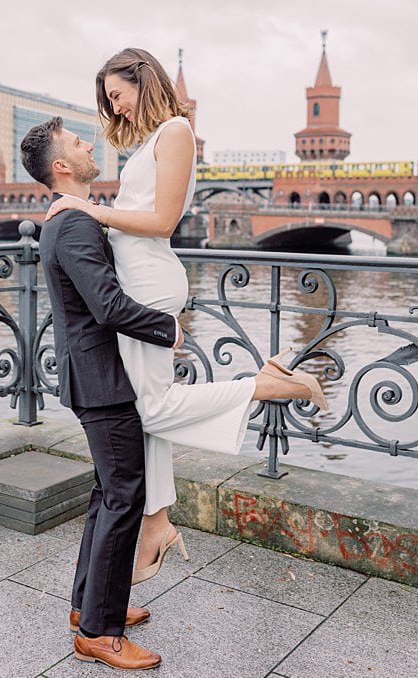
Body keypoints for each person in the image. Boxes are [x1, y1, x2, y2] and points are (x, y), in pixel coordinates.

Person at [43, 48, 326, 584]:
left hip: (149, 280)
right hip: (137, 278)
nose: (116, 109)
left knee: (149, 410)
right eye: (109, 102)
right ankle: (158, 523)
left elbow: (164, 218)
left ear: (141, 79)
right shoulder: (153, 139)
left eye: (117, 96)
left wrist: (89, 210)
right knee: (144, 413)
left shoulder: (174, 130)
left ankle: (263, 387)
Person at [21, 117, 177, 670]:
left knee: (106, 492)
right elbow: (107, 306)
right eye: (77, 142)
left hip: (91, 374)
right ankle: (98, 631)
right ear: (62, 166)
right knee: (123, 495)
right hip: (102, 379)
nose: (90, 144)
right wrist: (169, 328)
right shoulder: (77, 226)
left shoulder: (68, 221)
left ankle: (87, 604)